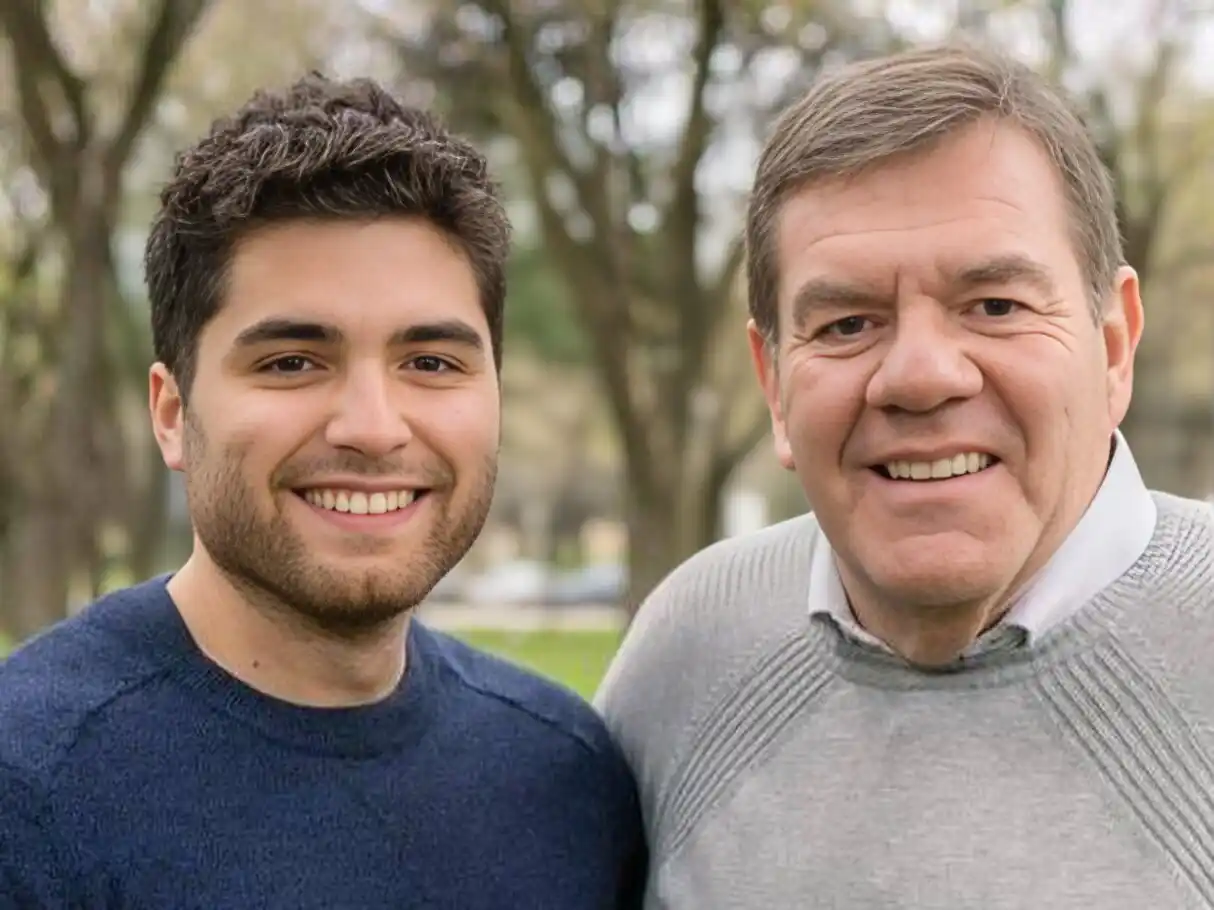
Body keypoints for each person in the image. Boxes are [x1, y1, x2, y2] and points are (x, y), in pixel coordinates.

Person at [0, 74, 645, 908]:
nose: (373, 428)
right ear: (171, 413)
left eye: (431, 363)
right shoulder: (29, 790)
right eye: (292, 362)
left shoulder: (568, 776)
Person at [595, 42, 1214, 909]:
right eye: (848, 323)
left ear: (1114, 347)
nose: (921, 376)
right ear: (773, 382)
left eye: (994, 306)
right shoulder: (690, 657)